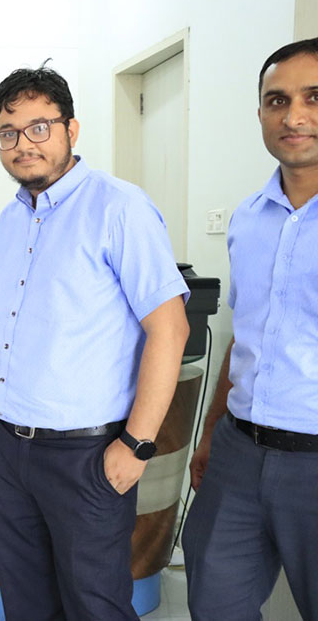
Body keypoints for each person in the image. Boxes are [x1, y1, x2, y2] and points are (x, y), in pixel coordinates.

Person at [0, 65, 190, 620]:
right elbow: (14, 332)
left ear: (71, 128)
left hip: (86, 455)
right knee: (26, 604)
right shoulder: (10, 220)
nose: (24, 144)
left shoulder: (120, 207)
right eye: (8, 132)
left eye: (39, 127)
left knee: (94, 606)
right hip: (9, 447)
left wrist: (138, 444)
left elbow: (170, 328)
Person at [182, 38, 318, 620]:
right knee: (215, 602)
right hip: (239, 453)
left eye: (314, 97)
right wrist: (213, 431)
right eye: (277, 100)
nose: (294, 116)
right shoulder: (248, 218)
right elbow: (245, 334)